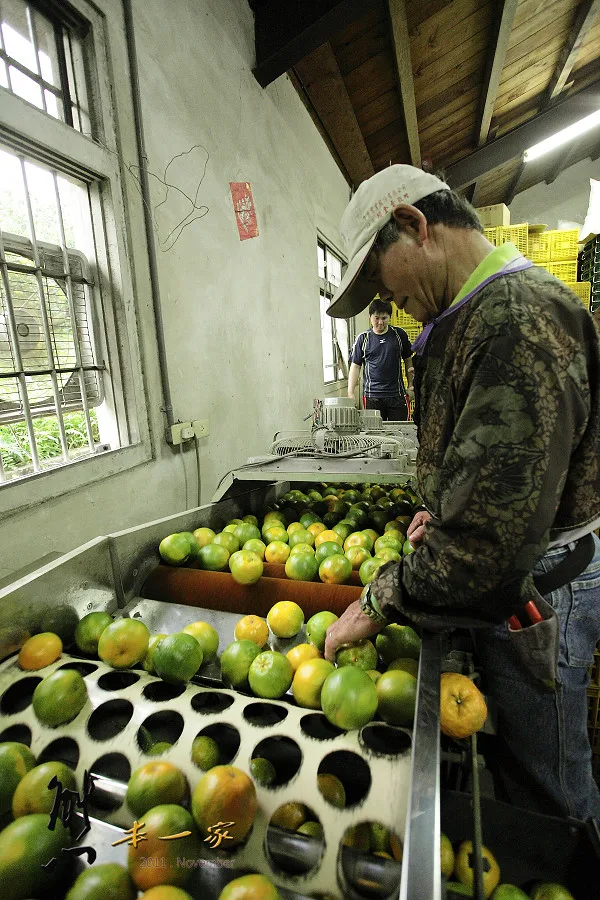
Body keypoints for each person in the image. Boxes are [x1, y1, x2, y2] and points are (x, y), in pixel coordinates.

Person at [324, 164, 600, 821]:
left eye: (377, 279)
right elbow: (494, 467)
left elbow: (490, 543)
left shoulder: (517, 322)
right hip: (523, 575)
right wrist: (442, 508)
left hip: (542, 589)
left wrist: (378, 598)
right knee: (522, 762)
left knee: (552, 786)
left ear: (417, 227)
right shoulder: (474, 314)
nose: (380, 305)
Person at [347, 298, 414, 420]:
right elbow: (355, 366)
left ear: (390, 317)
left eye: (384, 318)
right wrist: (350, 392)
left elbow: (408, 360)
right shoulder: (363, 339)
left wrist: (410, 386)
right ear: (370, 317)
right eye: (376, 318)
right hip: (372, 397)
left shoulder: (399, 335)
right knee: (373, 435)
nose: (380, 322)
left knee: (401, 433)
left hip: (397, 395)